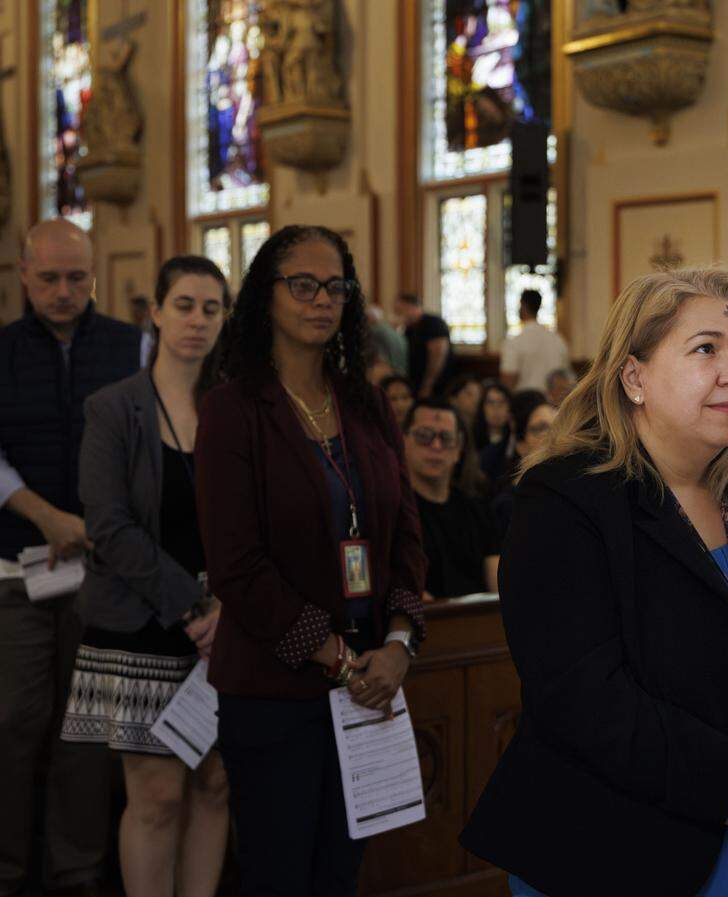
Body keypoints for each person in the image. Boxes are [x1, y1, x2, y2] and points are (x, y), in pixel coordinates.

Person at [461, 268, 728, 897]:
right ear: (634, 377)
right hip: (618, 845)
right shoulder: (566, 500)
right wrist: (726, 795)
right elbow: (582, 695)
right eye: (705, 349)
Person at [194, 225, 427, 897]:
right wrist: (337, 656)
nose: (321, 300)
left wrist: (399, 643)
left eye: (335, 287)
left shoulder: (367, 403)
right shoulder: (234, 409)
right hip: (275, 693)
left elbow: (408, 539)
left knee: (340, 875)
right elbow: (236, 565)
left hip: (370, 687)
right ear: (266, 296)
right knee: (279, 875)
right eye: (302, 284)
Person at [59, 256, 231, 897]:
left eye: (211, 308)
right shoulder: (113, 409)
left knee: (216, 784)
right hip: (139, 625)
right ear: (155, 312)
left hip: (225, 625)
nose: (197, 320)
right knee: (156, 795)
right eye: (184, 305)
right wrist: (194, 609)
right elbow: (109, 527)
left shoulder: (232, 409)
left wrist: (229, 608)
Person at [0, 219, 143, 897]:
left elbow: (144, 446)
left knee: (86, 728)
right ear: (23, 274)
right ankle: (8, 865)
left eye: (76, 278)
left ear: (95, 276)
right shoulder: (0, 350)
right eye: (49, 277)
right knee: (13, 720)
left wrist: (100, 521)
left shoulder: (129, 345)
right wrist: (44, 513)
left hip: (102, 569)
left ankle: (77, 868)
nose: (63, 291)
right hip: (15, 565)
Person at [403, 399, 499, 601]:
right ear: (403, 441)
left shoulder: (478, 510)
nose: (436, 446)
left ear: (459, 447)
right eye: (424, 436)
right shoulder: (393, 511)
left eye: (445, 438)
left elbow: (498, 588)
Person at [488, 391, 555, 540]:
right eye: (542, 429)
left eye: (558, 427)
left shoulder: (564, 492)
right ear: (520, 444)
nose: (553, 437)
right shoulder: (508, 505)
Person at [499, 289, 569, 392]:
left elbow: (508, 380)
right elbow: (565, 377)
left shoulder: (515, 342)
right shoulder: (558, 340)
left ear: (523, 306)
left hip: (524, 403)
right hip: (552, 403)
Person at [395, 292, 454, 398]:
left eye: (400, 311)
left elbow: (438, 355)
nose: (398, 315)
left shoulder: (433, 323)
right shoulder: (409, 328)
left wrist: (428, 384)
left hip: (436, 385)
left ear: (411, 307)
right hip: (416, 383)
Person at [473, 380, 512, 452]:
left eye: (501, 402)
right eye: (490, 402)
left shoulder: (514, 442)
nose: (496, 408)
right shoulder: (471, 440)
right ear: (481, 407)